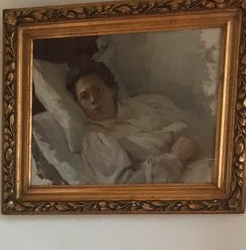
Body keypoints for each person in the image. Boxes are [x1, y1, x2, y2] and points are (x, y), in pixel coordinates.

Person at [64, 58, 213, 184]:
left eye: (98, 90)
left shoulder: (148, 103)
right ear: (79, 104)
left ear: (112, 89)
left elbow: (196, 125)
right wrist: (175, 158)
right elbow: (125, 188)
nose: (93, 100)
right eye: (84, 96)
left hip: (208, 160)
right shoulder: (96, 140)